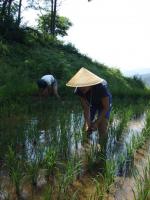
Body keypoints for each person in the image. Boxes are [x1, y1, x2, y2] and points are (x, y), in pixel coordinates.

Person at [66, 67, 112, 135]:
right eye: (79, 85)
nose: (81, 88)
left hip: (104, 105)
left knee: (102, 127)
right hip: (91, 103)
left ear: (90, 83)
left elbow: (106, 107)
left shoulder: (101, 88)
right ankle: (85, 143)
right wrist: (88, 123)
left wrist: (96, 123)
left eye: (84, 85)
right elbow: (86, 108)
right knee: (86, 128)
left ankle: (102, 143)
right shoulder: (78, 90)